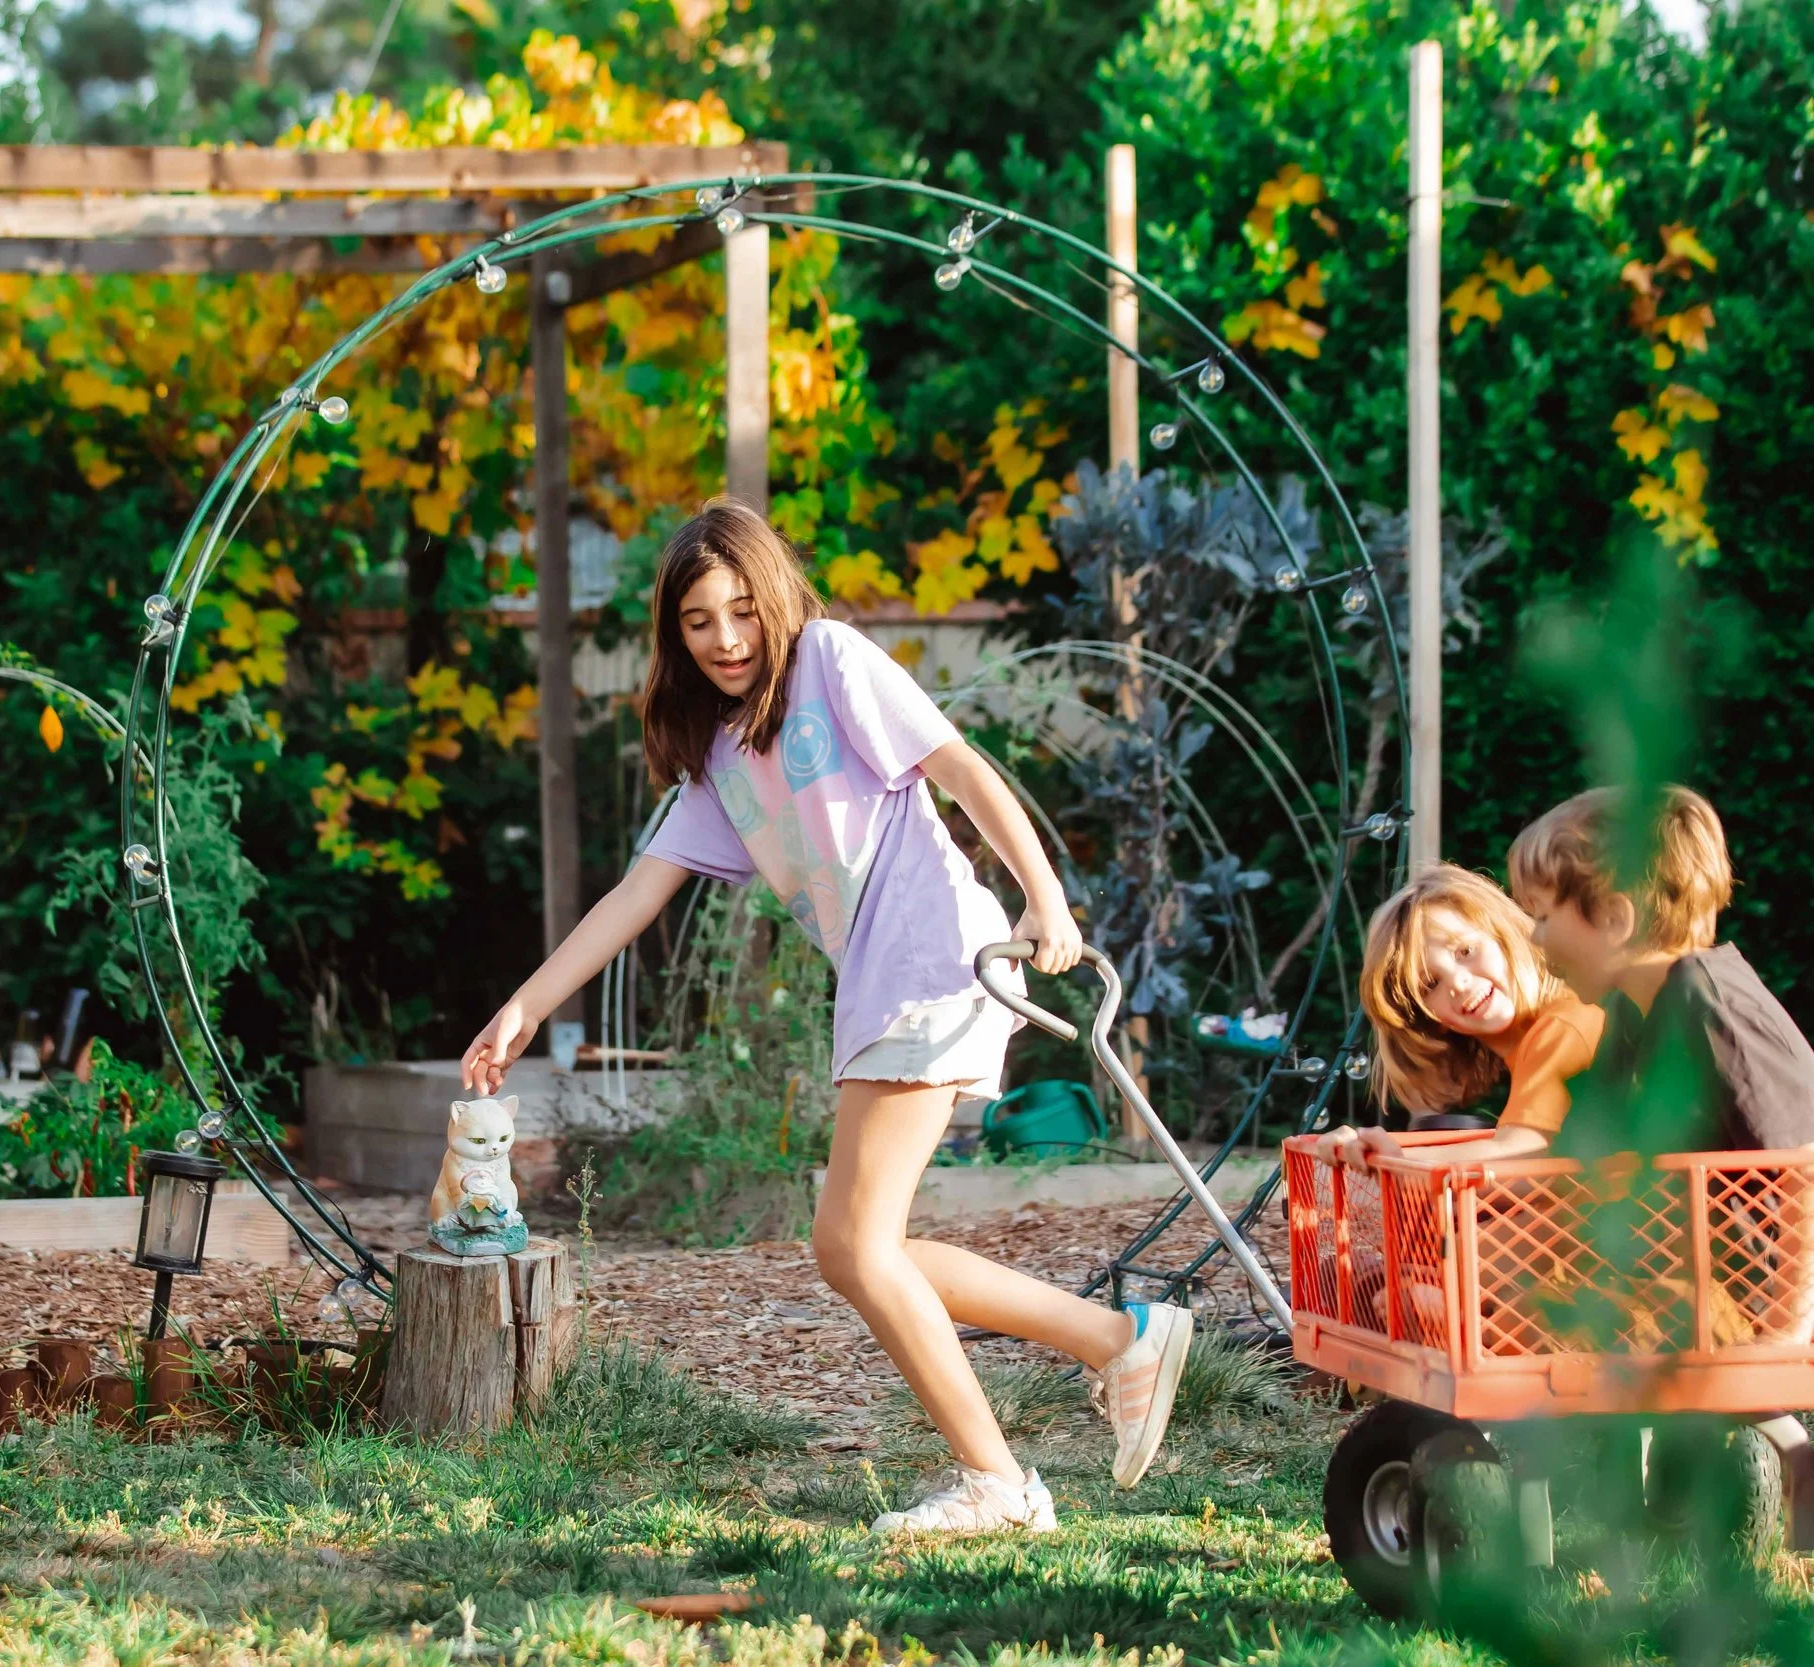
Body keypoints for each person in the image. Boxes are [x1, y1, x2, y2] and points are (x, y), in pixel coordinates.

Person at [460, 499, 1192, 1537]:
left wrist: (1046, 896)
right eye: (699, 621)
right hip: (880, 980)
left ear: (775, 599)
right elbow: (635, 893)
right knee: (864, 1244)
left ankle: (1000, 1478)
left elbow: (960, 765)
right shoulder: (718, 752)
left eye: (742, 611)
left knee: (849, 1244)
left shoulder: (831, 661)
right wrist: (525, 1004)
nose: (724, 639)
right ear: (672, 633)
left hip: (931, 952)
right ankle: (1118, 1339)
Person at [1507, 786, 1814, 1153]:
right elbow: (1574, 1156)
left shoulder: (1707, 997)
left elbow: (1804, 1167)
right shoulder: (1627, 1011)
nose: (1535, 937)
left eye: (1542, 916)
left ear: (1614, 919)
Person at [1327, 865, 1603, 1166]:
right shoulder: (1544, 1038)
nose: (1458, 983)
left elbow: (1524, 1160)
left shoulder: (1567, 1024)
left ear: (1506, 935)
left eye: (1465, 951)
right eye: (1430, 984)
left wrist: (1389, 1160)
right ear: (1429, 1020)